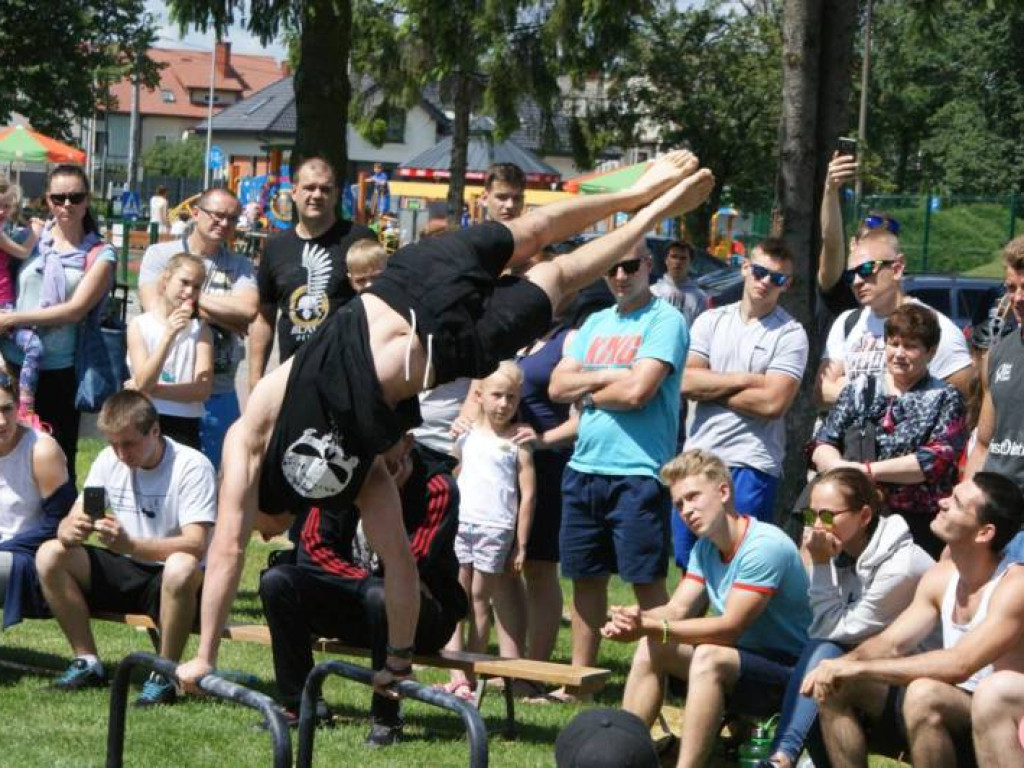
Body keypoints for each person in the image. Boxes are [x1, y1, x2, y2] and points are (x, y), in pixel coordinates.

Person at [176, 151, 716, 697]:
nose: (270, 533)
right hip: (426, 322)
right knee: (543, 255)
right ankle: (647, 206)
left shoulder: (259, 440)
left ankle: (645, 205)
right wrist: (400, 660)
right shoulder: (353, 464)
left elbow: (228, 550)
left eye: (266, 527)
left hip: (420, 318)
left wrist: (203, 655)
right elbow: (399, 567)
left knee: (543, 254)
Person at [602, 449, 812, 768]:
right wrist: (635, 618)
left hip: (796, 676)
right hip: (747, 665)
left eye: (693, 497)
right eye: (679, 504)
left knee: (709, 657)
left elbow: (730, 628)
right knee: (651, 647)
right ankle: (622, 757)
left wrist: (653, 626)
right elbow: (677, 609)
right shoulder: (706, 548)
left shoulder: (764, 545)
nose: (686, 510)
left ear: (724, 491)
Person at [804, 473, 1024, 767]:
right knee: (835, 684)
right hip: (950, 704)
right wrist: (841, 666)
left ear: (984, 533)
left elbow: (960, 664)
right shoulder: (941, 577)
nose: (943, 502)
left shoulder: (1014, 586)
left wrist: (859, 669)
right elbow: (891, 643)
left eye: (956, 503)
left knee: (924, 692)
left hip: (1000, 715)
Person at [259, 435, 466, 746]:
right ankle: (300, 705)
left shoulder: (437, 487)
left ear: (406, 445)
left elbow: (412, 565)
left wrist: (381, 507)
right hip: (360, 600)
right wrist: (363, 581)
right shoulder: (343, 472)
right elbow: (312, 551)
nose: (374, 461)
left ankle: (386, 717)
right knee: (278, 581)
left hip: (423, 616)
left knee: (384, 596)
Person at [548, 238, 689, 694]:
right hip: (584, 467)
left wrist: (586, 392)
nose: (621, 276)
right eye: (612, 269)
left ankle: (664, 680)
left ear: (648, 265)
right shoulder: (594, 322)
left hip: (638, 472)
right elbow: (555, 386)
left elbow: (638, 393)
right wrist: (610, 376)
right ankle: (579, 682)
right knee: (586, 579)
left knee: (646, 582)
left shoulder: (665, 320)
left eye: (629, 266)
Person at [35, 391, 216, 706]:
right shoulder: (108, 461)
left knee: (181, 565)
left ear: (155, 431)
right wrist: (70, 529)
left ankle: (164, 675)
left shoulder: (191, 466)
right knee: (50, 553)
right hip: (127, 566)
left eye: (129, 443)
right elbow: (83, 512)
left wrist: (132, 545)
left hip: (175, 581)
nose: (120, 453)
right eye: (113, 444)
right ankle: (87, 662)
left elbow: (196, 544)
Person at [762, 467, 934, 768]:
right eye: (809, 515)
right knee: (824, 662)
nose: (815, 526)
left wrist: (820, 565)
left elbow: (833, 630)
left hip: (919, 682)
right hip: (871, 668)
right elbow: (820, 624)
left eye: (826, 516)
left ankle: (783, 756)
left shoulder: (901, 566)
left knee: (826, 657)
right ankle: (784, 757)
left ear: (865, 516)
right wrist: (816, 562)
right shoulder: (837, 549)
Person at [681, 238, 808, 563]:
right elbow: (686, 382)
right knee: (688, 563)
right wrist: (745, 379)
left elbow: (772, 405)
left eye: (777, 278)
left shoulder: (790, 334)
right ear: (746, 268)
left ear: (787, 284)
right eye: (761, 272)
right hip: (697, 460)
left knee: (739, 568)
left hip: (750, 463)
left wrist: (712, 385)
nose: (766, 282)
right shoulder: (711, 320)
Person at [810, 303, 967, 557]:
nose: (899, 353)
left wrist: (867, 472)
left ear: (931, 351)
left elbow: (936, 459)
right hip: (848, 517)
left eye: (911, 346)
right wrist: (839, 468)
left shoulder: (945, 398)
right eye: (893, 343)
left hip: (913, 525)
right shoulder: (859, 390)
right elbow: (821, 443)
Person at [0, 165, 118, 482]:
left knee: (56, 458)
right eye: (58, 197)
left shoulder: (100, 254)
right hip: (10, 367)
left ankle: (56, 528)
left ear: (87, 200)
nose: (66, 204)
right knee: (7, 459)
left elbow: (74, 311)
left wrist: (13, 318)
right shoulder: (28, 240)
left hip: (60, 372)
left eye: (75, 197)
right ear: (47, 201)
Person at [139, 187, 258, 470]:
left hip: (219, 390)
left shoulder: (239, 265)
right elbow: (155, 309)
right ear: (196, 213)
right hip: (166, 389)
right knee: (159, 473)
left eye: (232, 218)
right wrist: (229, 320)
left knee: (215, 476)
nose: (224, 224)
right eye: (217, 215)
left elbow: (249, 311)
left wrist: (190, 299)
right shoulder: (160, 254)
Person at [248, 157, 375, 395]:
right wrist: (255, 380)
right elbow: (264, 317)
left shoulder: (359, 239)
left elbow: (379, 304)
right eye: (309, 187)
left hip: (347, 378)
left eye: (325, 189)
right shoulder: (275, 247)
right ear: (294, 192)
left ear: (336, 195)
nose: (316, 195)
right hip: (292, 377)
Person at [814, 222, 973, 410]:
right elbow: (820, 394)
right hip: (850, 438)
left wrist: (848, 389)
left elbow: (964, 403)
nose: (857, 281)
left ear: (897, 269)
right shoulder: (847, 322)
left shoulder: (937, 328)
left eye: (866, 270)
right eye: (851, 275)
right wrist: (889, 393)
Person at [447, 362, 534, 696]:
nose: (503, 404)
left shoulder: (518, 442)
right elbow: (453, 477)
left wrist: (521, 545)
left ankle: (474, 666)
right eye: (497, 395)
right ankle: (456, 671)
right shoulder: (465, 435)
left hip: (496, 529)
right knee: (457, 595)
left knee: (480, 600)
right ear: (479, 396)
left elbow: (528, 496)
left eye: (511, 398)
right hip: (462, 523)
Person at [0, 368, 75, 629]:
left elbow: (61, 523)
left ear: (18, 406)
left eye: (7, 409)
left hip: (29, 557)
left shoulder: (41, 450)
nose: (2, 421)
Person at [126, 253, 213, 449]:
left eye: (197, 287)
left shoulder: (201, 330)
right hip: (144, 417)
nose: (189, 291)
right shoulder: (140, 325)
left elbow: (202, 390)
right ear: (166, 280)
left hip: (184, 422)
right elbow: (145, 379)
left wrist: (152, 390)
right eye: (184, 282)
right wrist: (169, 335)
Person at [965, 234, 1024, 491]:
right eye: (1011, 288)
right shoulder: (997, 355)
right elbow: (983, 444)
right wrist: (965, 498)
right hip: (996, 508)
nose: (1018, 298)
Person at [0, 183, 45, 423]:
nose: (1, 211)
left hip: (6, 308)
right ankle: (26, 405)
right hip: (3, 310)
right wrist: (35, 233)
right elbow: (22, 252)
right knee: (34, 347)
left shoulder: (4, 227)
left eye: (6, 206)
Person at [815, 151, 859, 340]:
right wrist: (831, 189)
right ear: (853, 244)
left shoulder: (905, 310)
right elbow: (831, 243)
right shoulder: (840, 283)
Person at [649, 239, 709, 327]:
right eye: (674, 256)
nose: (678, 262)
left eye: (683, 258)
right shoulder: (653, 293)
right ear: (666, 260)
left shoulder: (700, 298)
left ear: (690, 262)